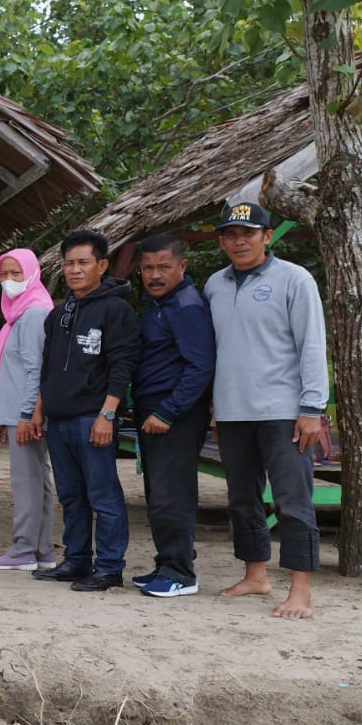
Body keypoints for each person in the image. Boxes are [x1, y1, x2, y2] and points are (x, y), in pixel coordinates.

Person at [203, 202, 328, 619]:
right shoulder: (215, 285)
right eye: (231, 235)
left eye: (249, 233)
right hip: (234, 412)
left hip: (284, 411)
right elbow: (218, 351)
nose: (240, 241)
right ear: (222, 240)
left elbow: (312, 344)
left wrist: (313, 408)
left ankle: (300, 591)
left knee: (293, 501)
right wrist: (217, 409)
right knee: (242, 499)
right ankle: (255, 574)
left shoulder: (294, 279)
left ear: (267, 236)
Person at [31, 230, 140, 591]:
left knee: (103, 495)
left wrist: (107, 415)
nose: (74, 270)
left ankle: (109, 567)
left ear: (102, 265)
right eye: (69, 263)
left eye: (83, 262)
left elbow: (122, 366)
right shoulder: (59, 312)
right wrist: (38, 412)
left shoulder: (116, 309)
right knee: (71, 496)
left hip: (93, 419)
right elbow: (48, 368)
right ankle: (76, 561)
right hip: (59, 420)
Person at [131, 234, 215, 597]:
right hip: (153, 412)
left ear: (182, 266)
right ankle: (166, 563)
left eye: (163, 266)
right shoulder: (159, 305)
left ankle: (181, 573)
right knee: (156, 494)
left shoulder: (187, 306)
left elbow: (201, 366)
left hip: (175, 416)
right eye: (148, 267)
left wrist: (168, 410)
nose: (154, 274)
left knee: (172, 496)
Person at [0, 249, 57, 571]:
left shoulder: (33, 314)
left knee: (26, 480)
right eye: (4, 274)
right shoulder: (18, 315)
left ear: (32, 273)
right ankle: (41, 551)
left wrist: (27, 414)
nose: (10, 281)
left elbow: (35, 368)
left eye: (17, 274)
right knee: (36, 479)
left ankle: (23, 549)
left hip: (24, 414)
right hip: (19, 411)